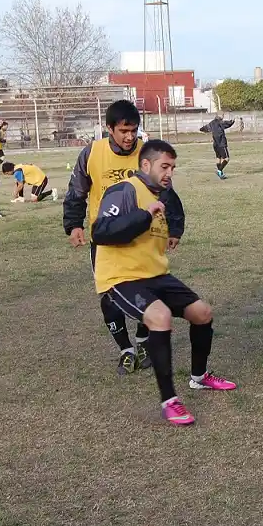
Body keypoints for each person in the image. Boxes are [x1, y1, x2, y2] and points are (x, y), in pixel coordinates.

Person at [92, 139, 236, 426]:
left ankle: (199, 377)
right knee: (160, 317)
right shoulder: (124, 191)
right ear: (146, 165)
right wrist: (145, 216)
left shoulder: (161, 194)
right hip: (122, 277)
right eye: (164, 166)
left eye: (173, 167)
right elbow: (101, 231)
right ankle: (169, 400)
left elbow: (169, 217)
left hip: (155, 275)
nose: (170, 172)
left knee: (202, 312)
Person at [63, 99, 185, 376]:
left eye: (134, 130)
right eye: (123, 131)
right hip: (106, 240)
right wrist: (74, 225)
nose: (130, 137)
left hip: (145, 237)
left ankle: (143, 343)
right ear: (109, 129)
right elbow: (76, 192)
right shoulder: (91, 153)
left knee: (151, 291)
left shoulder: (147, 153)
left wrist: (175, 228)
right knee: (109, 296)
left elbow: (166, 190)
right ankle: (125, 350)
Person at [199, 115, 234, 179]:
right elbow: (227, 124)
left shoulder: (211, 123)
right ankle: (219, 171)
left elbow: (203, 128)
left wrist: (203, 130)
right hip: (221, 144)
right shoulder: (220, 122)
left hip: (215, 144)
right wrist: (232, 121)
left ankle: (220, 174)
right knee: (226, 158)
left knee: (218, 158)